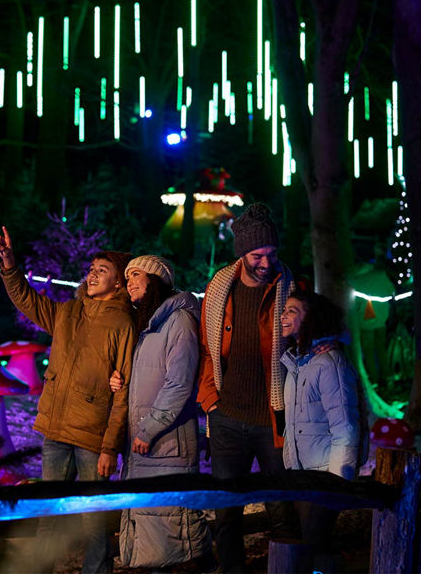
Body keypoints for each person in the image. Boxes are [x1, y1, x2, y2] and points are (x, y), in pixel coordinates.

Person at [0, 226, 135, 574]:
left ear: (118, 283)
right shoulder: (68, 312)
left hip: (91, 438)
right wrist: (10, 265)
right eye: (92, 268)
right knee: (47, 515)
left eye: (103, 271)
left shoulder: (122, 324)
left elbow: (125, 389)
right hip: (56, 432)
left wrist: (109, 447)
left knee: (93, 520)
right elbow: (28, 300)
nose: (93, 273)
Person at [195, 203, 299, 573]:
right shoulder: (220, 287)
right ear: (242, 253)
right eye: (258, 255)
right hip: (227, 417)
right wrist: (210, 401)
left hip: (273, 420)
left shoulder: (290, 289)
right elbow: (207, 350)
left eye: (272, 254)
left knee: (282, 508)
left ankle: (286, 569)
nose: (266, 262)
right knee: (227, 514)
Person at [107, 255, 211, 569]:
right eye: (126, 278)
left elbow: (179, 383)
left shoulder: (179, 321)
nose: (129, 282)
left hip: (165, 444)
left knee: (171, 535)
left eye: (136, 274)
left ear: (156, 278)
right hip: (143, 446)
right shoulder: (149, 324)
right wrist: (118, 380)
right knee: (150, 529)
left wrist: (149, 429)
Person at [279, 290, 369, 562]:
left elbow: (345, 427)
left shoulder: (330, 364)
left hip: (324, 475)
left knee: (316, 547)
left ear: (311, 319)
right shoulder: (298, 363)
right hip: (302, 472)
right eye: (284, 310)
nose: (283, 315)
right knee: (310, 546)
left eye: (292, 311)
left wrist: (338, 482)